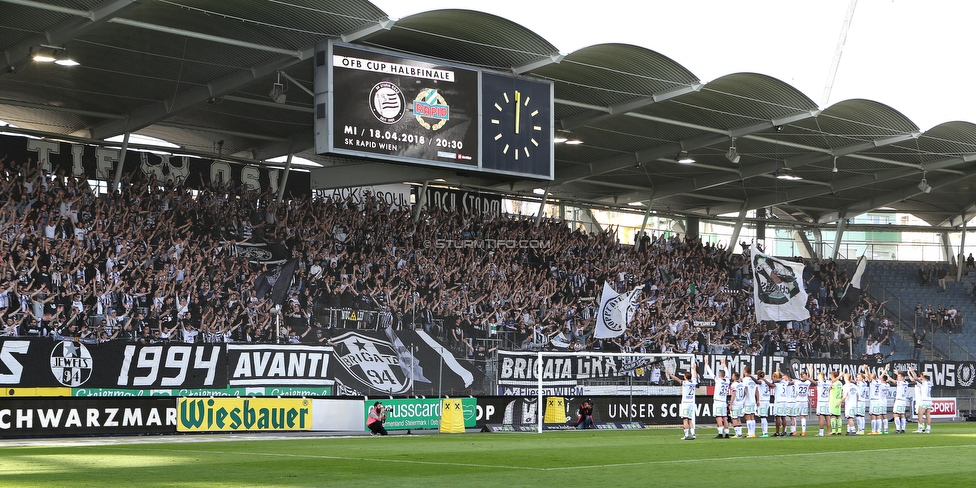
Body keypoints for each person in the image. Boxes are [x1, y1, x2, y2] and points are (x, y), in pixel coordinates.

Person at [667, 361, 698, 440]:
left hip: (685, 403)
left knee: (685, 419)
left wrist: (670, 374)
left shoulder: (685, 383)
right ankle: (693, 434)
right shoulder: (694, 382)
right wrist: (694, 369)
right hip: (691, 403)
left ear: (685, 377)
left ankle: (686, 435)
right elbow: (695, 376)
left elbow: (678, 380)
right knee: (690, 419)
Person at [908, 367, 933, 433]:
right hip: (929, 400)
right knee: (928, 415)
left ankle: (921, 428)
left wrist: (912, 371)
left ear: (922, 376)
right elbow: (916, 382)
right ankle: (928, 429)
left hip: (924, 400)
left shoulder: (923, 382)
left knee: (920, 414)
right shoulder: (929, 382)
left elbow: (916, 379)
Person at [712, 358, 731, 439]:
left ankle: (720, 434)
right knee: (724, 417)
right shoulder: (727, 381)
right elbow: (727, 373)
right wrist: (724, 364)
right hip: (724, 401)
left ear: (719, 375)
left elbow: (710, 373)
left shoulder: (718, 380)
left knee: (718, 417)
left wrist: (706, 365)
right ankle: (727, 433)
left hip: (718, 401)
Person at [794, 370, 813, 436]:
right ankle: (803, 431)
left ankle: (794, 431)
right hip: (804, 401)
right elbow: (811, 377)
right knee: (803, 416)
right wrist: (811, 369)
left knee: (795, 416)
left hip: (798, 401)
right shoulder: (807, 382)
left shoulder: (797, 382)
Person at [829, 370, 844, 435]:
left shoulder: (833, 383)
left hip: (833, 400)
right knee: (838, 416)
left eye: (830, 375)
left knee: (832, 416)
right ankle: (839, 430)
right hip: (838, 400)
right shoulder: (840, 383)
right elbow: (842, 392)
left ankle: (834, 430)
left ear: (832, 376)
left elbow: (829, 388)